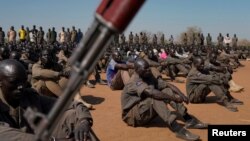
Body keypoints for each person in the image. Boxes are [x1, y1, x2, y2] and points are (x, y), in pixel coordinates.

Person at [0, 59, 99, 141]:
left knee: (74, 117)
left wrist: (84, 122)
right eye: (14, 82)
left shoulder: (29, 96)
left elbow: (72, 105)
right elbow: (7, 135)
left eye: (23, 81)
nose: (21, 87)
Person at [121, 58, 208, 141]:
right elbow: (152, 93)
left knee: (166, 90)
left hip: (143, 109)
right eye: (145, 68)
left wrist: (181, 94)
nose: (149, 70)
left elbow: (167, 85)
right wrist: (174, 98)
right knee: (155, 98)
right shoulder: (135, 81)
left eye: (148, 67)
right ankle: (178, 129)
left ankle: (188, 119)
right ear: (137, 70)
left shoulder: (148, 75)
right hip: (133, 116)